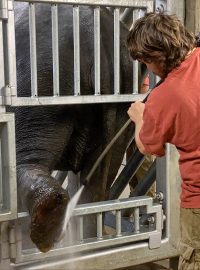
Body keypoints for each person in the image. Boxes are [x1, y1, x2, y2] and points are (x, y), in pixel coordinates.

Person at [126, 12, 200, 270]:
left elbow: (148, 147)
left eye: (146, 62)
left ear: (155, 58)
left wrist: (139, 118)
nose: (148, 69)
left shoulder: (165, 96)